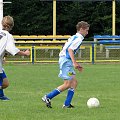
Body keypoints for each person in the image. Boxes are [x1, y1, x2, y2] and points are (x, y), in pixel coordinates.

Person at [42, 21, 90, 108]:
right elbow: (70, 50)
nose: (87, 32)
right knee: (67, 84)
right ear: (81, 29)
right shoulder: (78, 39)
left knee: (74, 82)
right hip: (66, 62)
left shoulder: (74, 37)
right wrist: (74, 62)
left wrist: (74, 63)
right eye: (86, 30)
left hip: (67, 61)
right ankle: (47, 97)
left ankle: (67, 104)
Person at [0, 15, 30, 100]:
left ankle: (1, 96)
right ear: (11, 26)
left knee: (4, 82)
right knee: (5, 84)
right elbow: (13, 50)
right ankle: (1, 96)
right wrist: (25, 53)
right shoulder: (8, 36)